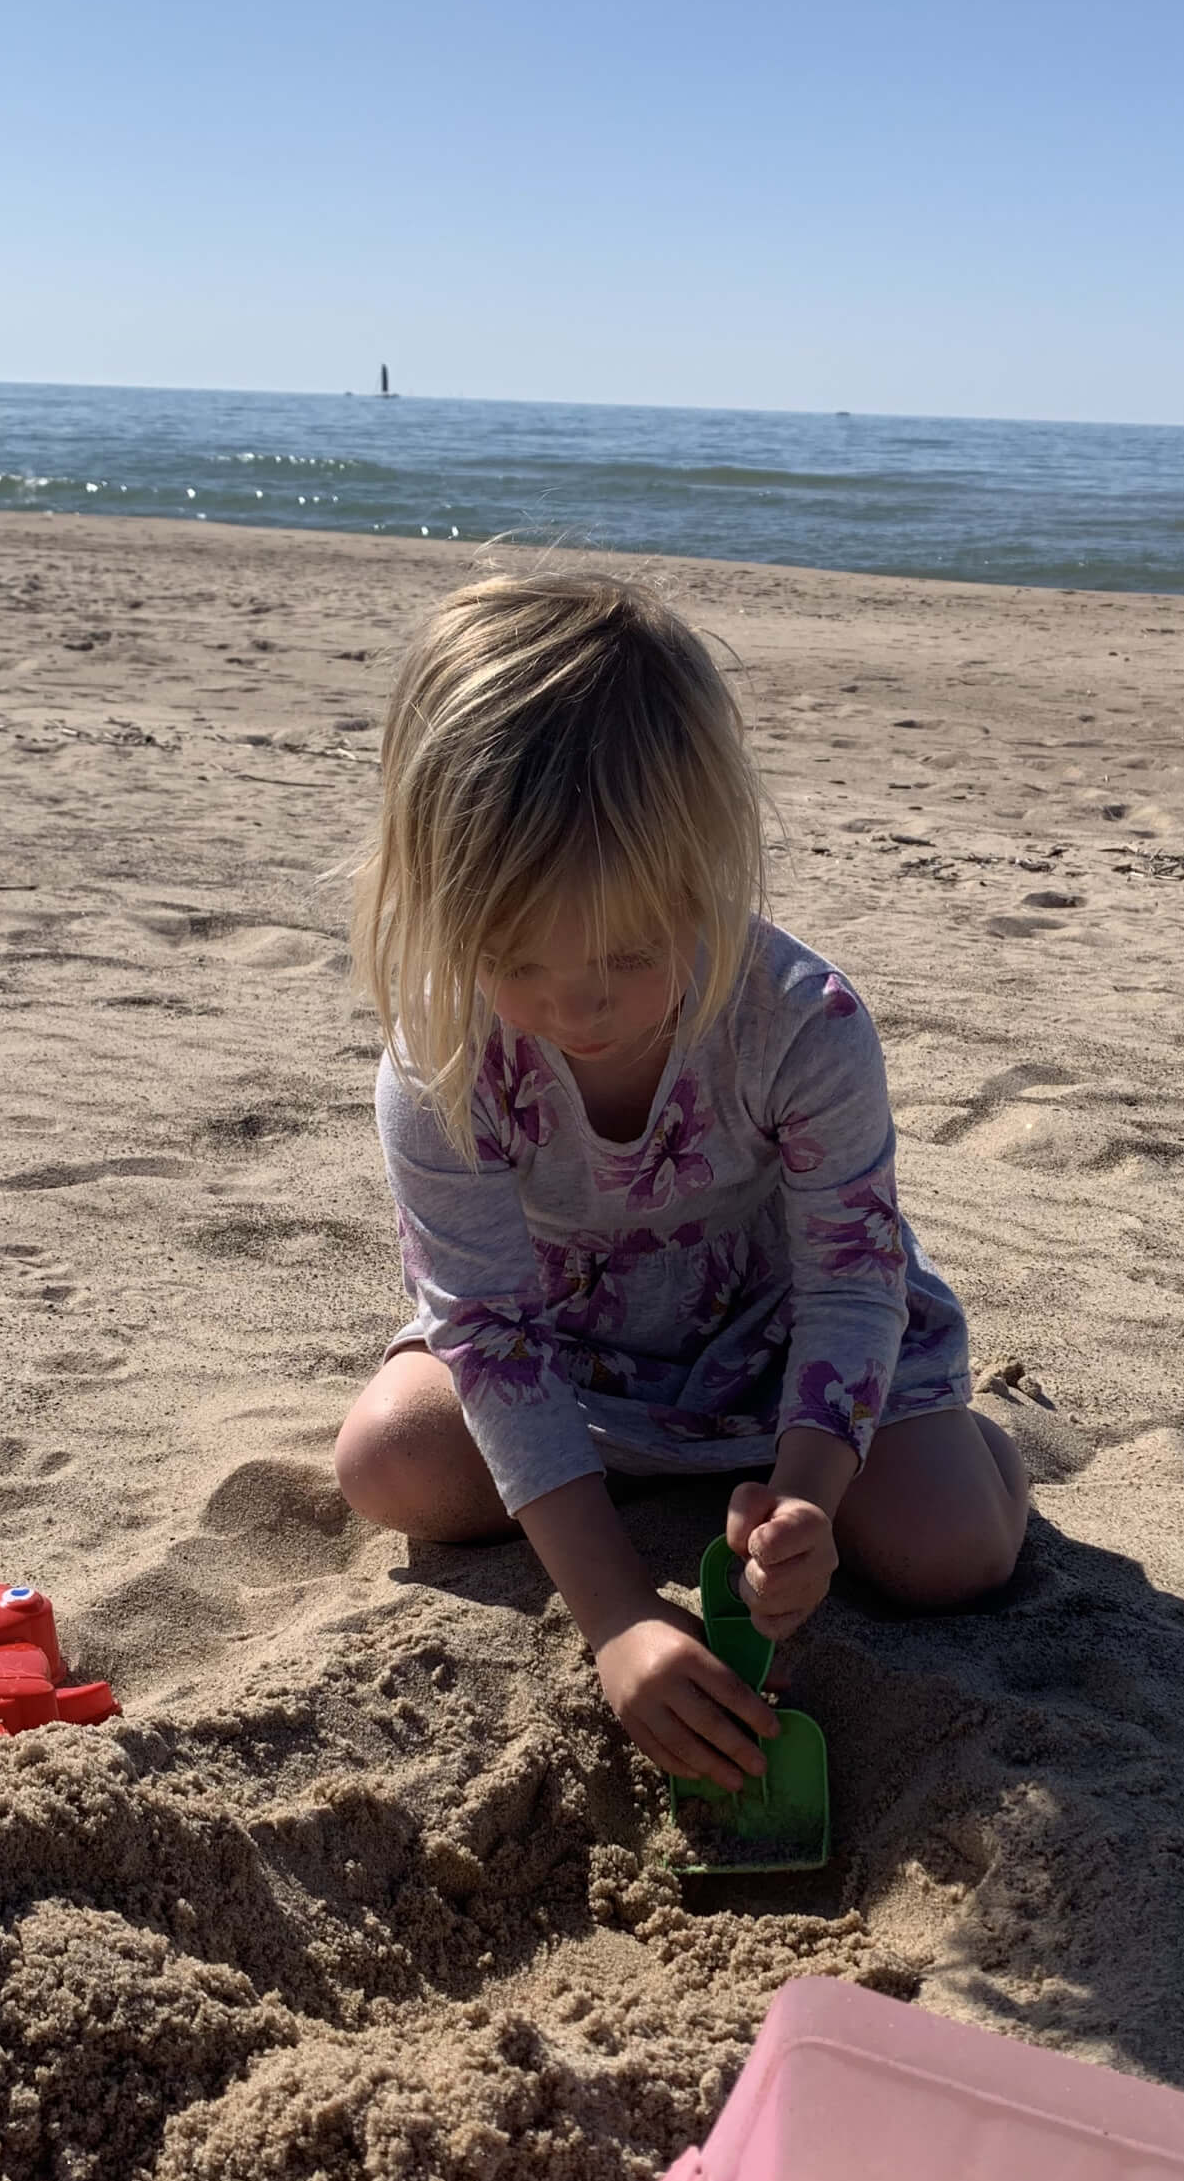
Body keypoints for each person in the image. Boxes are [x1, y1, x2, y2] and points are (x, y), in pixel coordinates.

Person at [335, 571, 1028, 1796]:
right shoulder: (441, 1061)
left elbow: (853, 1281)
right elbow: (489, 1331)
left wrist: (809, 1498)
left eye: (628, 955)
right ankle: (639, 1485)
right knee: (388, 1464)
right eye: (513, 959)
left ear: (705, 875)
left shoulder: (803, 1026)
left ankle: (998, 1446)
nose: (573, 1007)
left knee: (949, 1554)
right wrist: (613, 1618)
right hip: (578, 1348)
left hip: (785, 1344)